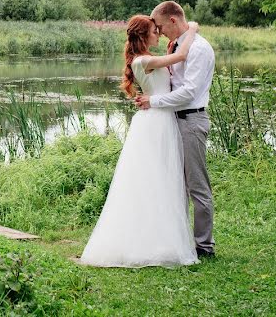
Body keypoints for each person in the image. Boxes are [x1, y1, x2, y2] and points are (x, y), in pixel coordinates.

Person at [79, 14, 199, 268]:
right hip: (156, 123)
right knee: (152, 179)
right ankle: (145, 242)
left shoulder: (146, 59)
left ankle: (159, 238)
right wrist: (193, 30)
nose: (159, 34)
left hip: (160, 119)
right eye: (155, 31)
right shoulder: (144, 61)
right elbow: (181, 57)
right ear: (144, 36)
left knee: (163, 180)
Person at [136, 1, 216, 259]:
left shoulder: (199, 49)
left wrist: (154, 101)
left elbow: (190, 91)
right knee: (174, 184)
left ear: (172, 20)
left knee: (197, 186)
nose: (158, 33)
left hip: (191, 121)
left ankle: (204, 247)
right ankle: (179, 240)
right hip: (172, 122)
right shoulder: (177, 46)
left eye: (159, 26)